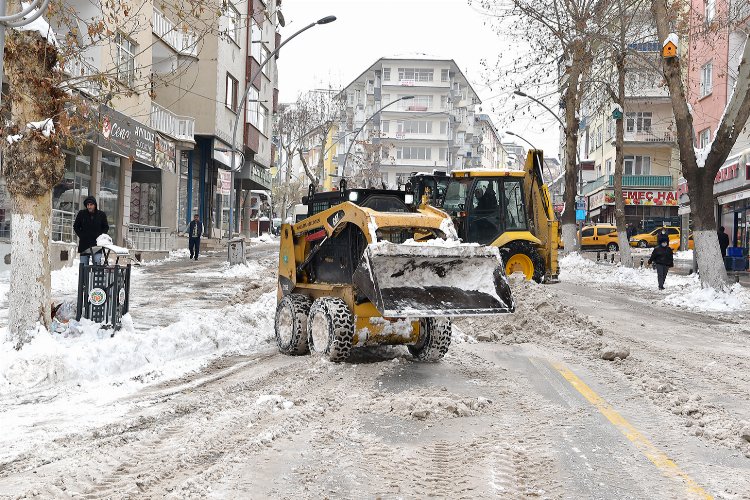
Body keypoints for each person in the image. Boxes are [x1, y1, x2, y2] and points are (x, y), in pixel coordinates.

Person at [73, 196, 109, 265]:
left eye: (91, 205)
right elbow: (76, 226)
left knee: (97, 265)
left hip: (97, 244)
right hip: (84, 244)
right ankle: (84, 276)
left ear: (95, 205)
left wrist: (101, 237)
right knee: (83, 267)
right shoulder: (81, 214)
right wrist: (82, 236)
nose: (89, 207)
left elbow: (106, 227)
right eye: (88, 205)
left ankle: (95, 276)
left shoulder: (101, 215)